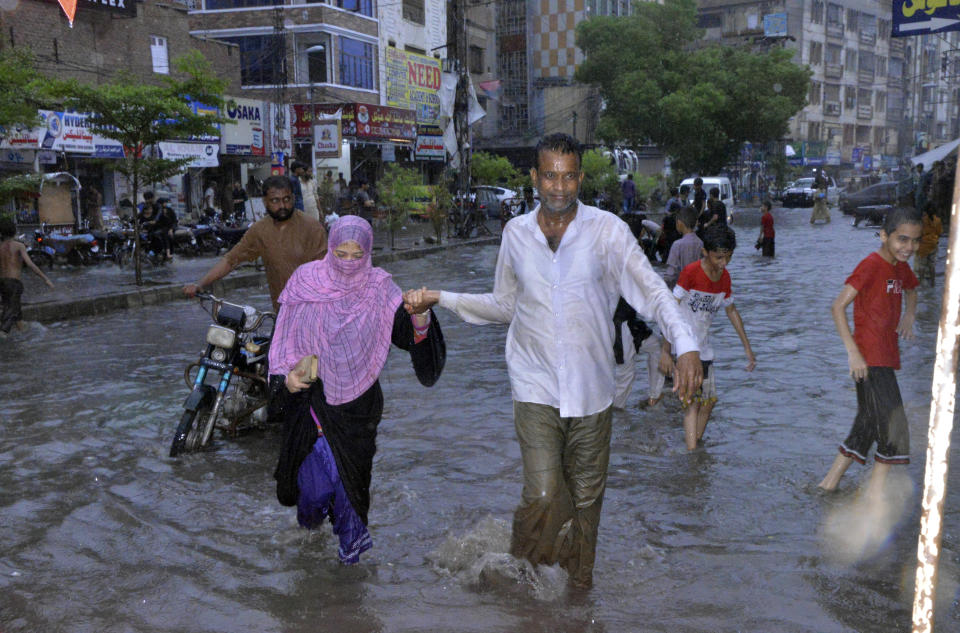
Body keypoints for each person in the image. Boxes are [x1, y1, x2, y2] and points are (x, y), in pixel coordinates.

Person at [402, 133, 702, 588]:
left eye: (567, 176)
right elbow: (505, 305)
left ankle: (578, 591)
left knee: (585, 505)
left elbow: (654, 292)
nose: (558, 187)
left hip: (592, 388)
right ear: (534, 177)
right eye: (549, 176)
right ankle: (520, 572)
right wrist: (441, 298)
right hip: (534, 382)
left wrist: (686, 346)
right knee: (543, 494)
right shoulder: (516, 235)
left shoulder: (607, 231)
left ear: (579, 177)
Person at [270, 216, 445, 564]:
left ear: (368, 252)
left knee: (350, 486)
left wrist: (420, 316)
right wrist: (286, 380)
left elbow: (406, 335)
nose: (349, 262)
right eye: (341, 253)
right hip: (309, 399)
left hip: (358, 407)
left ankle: (349, 571)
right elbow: (283, 338)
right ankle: (310, 528)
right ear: (330, 248)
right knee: (315, 490)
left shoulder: (379, 289)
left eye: (356, 254)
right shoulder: (306, 281)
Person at [818, 208, 921, 497]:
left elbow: (912, 290)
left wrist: (909, 316)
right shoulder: (871, 265)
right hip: (869, 359)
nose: (909, 247)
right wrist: (853, 353)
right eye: (902, 239)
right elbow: (838, 306)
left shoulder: (901, 268)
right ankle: (874, 498)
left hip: (886, 357)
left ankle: (828, 484)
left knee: (866, 424)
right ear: (884, 235)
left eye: (914, 241)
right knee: (894, 428)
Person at [663, 225, 756, 451]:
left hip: (704, 348)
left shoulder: (724, 278)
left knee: (709, 402)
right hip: (683, 348)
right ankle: (693, 453)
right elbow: (670, 309)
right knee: (692, 404)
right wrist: (665, 351)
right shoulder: (691, 273)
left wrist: (748, 348)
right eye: (719, 257)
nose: (724, 262)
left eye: (729, 257)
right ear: (705, 252)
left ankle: (694, 445)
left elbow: (731, 310)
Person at [183, 175, 328, 313]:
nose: (282, 205)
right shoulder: (260, 230)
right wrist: (200, 284)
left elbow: (326, 273)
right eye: (275, 201)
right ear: (265, 201)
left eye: (286, 199)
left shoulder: (312, 228)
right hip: (282, 312)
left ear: (294, 198)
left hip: (314, 311)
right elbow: (230, 260)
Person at [0, 216, 54, 336]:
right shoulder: (19, 246)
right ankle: (3, 333)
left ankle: (24, 333)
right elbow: (30, 264)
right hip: (14, 284)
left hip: (2, 283)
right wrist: (46, 279)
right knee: (10, 312)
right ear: (14, 231)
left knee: (15, 311)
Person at [663, 205, 703, 288]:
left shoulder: (677, 245)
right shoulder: (701, 243)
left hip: (680, 291)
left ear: (679, 223)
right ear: (696, 223)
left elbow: (671, 274)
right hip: (697, 289)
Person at [913, 202, 942, 287]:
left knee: (922, 265)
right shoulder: (938, 220)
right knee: (931, 265)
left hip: (923, 246)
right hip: (933, 245)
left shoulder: (922, 220)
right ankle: (933, 284)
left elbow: (918, 233)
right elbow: (939, 233)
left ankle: (921, 283)